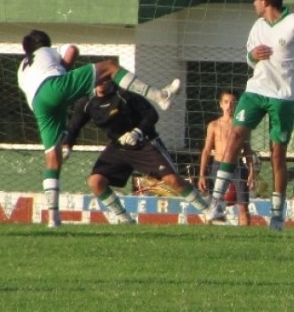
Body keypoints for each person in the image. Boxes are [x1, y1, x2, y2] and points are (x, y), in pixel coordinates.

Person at [16, 29, 180, 228]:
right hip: (53, 86)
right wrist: (64, 70)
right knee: (110, 66)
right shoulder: (48, 51)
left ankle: (53, 219)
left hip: (38, 104)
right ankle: (160, 96)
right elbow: (72, 50)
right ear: (45, 44)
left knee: (52, 159)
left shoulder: (22, 67)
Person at [205, 0, 294, 231]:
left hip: (282, 98)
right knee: (234, 136)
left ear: (266, 2)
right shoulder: (258, 26)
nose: (253, 4)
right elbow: (248, 56)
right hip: (255, 92)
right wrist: (252, 56)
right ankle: (216, 202)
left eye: (255, 0)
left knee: (277, 154)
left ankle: (278, 216)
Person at [63, 79, 210, 223]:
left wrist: (137, 132)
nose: (101, 82)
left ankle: (208, 211)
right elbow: (74, 126)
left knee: (172, 180)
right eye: (97, 79)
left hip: (144, 142)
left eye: (104, 79)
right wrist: (67, 146)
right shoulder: (86, 102)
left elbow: (152, 115)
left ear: (110, 79)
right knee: (95, 182)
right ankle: (125, 220)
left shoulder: (124, 94)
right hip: (118, 146)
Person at [199, 90, 257, 226]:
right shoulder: (214, 125)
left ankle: (246, 238)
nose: (229, 106)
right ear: (221, 104)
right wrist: (202, 175)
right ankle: (207, 237)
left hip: (237, 166)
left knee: (243, 206)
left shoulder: (242, 127)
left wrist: (252, 172)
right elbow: (207, 150)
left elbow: (247, 151)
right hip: (218, 165)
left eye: (233, 103)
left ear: (237, 105)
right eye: (226, 102)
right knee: (213, 204)